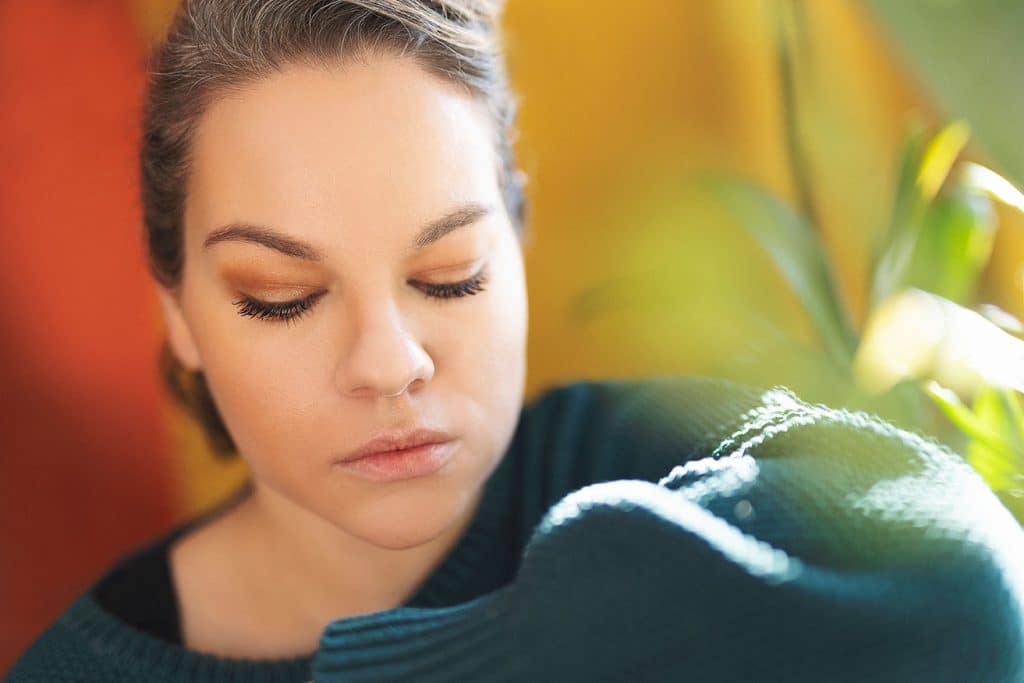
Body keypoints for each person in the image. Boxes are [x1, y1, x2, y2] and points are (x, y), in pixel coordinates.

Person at [6, 1, 1024, 681]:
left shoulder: (645, 461)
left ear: (519, 245)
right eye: (283, 295)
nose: (390, 361)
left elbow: (967, 585)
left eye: (449, 274)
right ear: (180, 312)